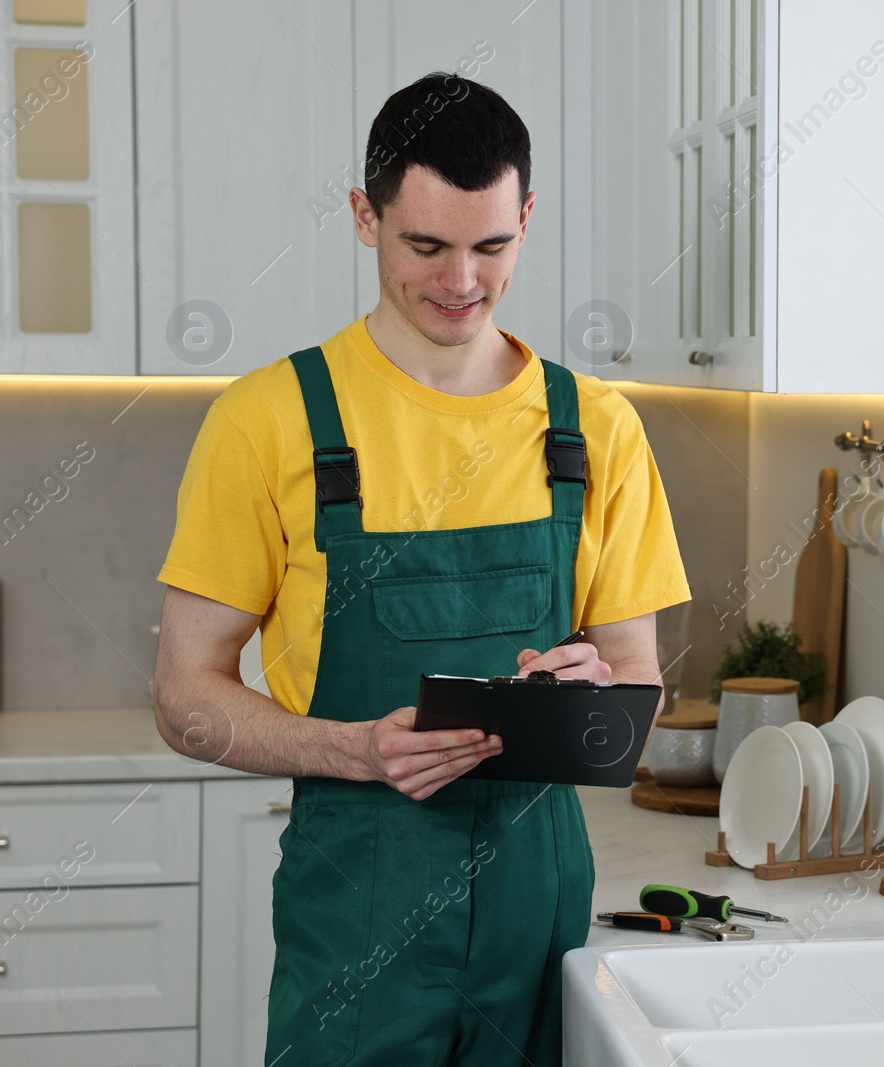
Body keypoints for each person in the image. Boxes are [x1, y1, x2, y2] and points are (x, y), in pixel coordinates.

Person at [151, 71, 690, 1066]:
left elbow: (639, 686)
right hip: (358, 906)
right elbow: (184, 696)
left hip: (539, 905)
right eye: (425, 246)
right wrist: (355, 749)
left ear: (528, 216)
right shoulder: (268, 421)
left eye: (492, 245)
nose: (460, 280)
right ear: (366, 216)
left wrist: (590, 704)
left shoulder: (596, 430)